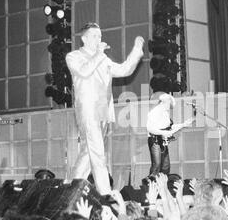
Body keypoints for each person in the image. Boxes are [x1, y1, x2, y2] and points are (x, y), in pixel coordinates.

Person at [66, 22, 145, 196]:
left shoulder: (103, 59)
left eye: (100, 36)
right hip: (87, 110)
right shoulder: (74, 56)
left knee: (88, 153)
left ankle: (70, 189)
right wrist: (99, 54)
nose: (98, 39)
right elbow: (84, 72)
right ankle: (106, 194)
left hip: (102, 111)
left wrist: (136, 50)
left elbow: (124, 70)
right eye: (94, 36)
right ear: (84, 38)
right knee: (98, 153)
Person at [146, 93, 193, 177]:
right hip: (155, 140)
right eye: (169, 104)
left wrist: (183, 124)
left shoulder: (165, 113)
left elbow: (170, 127)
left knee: (165, 166)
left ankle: (163, 184)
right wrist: (163, 133)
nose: (170, 106)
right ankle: (150, 186)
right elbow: (150, 128)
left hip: (162, 141)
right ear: (164, 102)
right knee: (156, 165)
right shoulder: (154, 112)